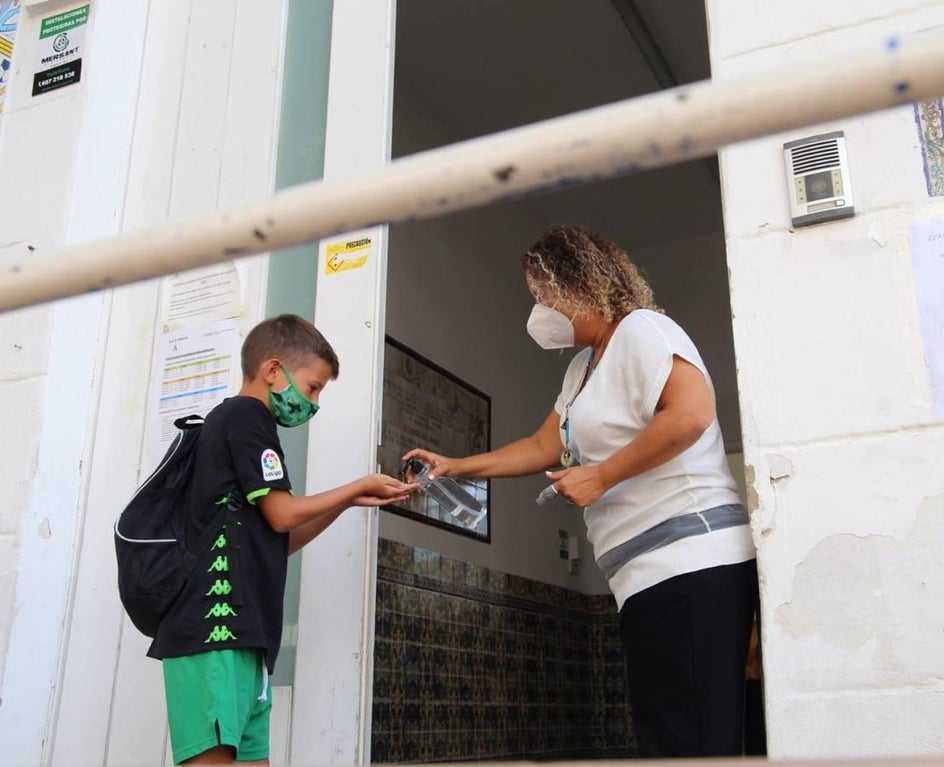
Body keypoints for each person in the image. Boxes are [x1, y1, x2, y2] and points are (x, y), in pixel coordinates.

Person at [403, 226, 758, 757]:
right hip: (643, 576)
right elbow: (543, 444)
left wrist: (602, 474)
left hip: (692, 561)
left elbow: (691, 413)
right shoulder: (580, 370)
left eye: (544, 297)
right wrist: (455, 465)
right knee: (670, 739)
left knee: (695, 742)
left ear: (581, 286)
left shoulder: (643, 331)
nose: (539, 311)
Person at [148, 314, 417, 765]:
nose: (312, 403)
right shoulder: (245, 417)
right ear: (273, 371)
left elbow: (279, 536)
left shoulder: (246, 426)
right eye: (313, 387)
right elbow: (282, 513)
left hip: (245, 637)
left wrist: (349, 502)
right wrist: (354, 486)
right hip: (214, 632)